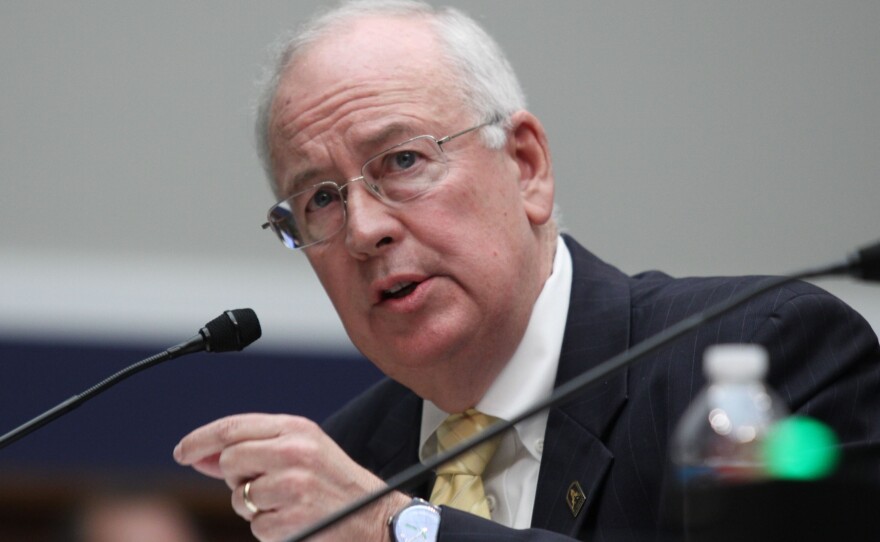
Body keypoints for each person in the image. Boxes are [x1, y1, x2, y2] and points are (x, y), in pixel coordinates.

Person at [173, 1, 880, 541]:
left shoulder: (763, 360)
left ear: (527, 166)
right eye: (321, 199)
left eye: (403, 161)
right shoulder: (349, 461)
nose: (364, 228)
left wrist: (405, 527)